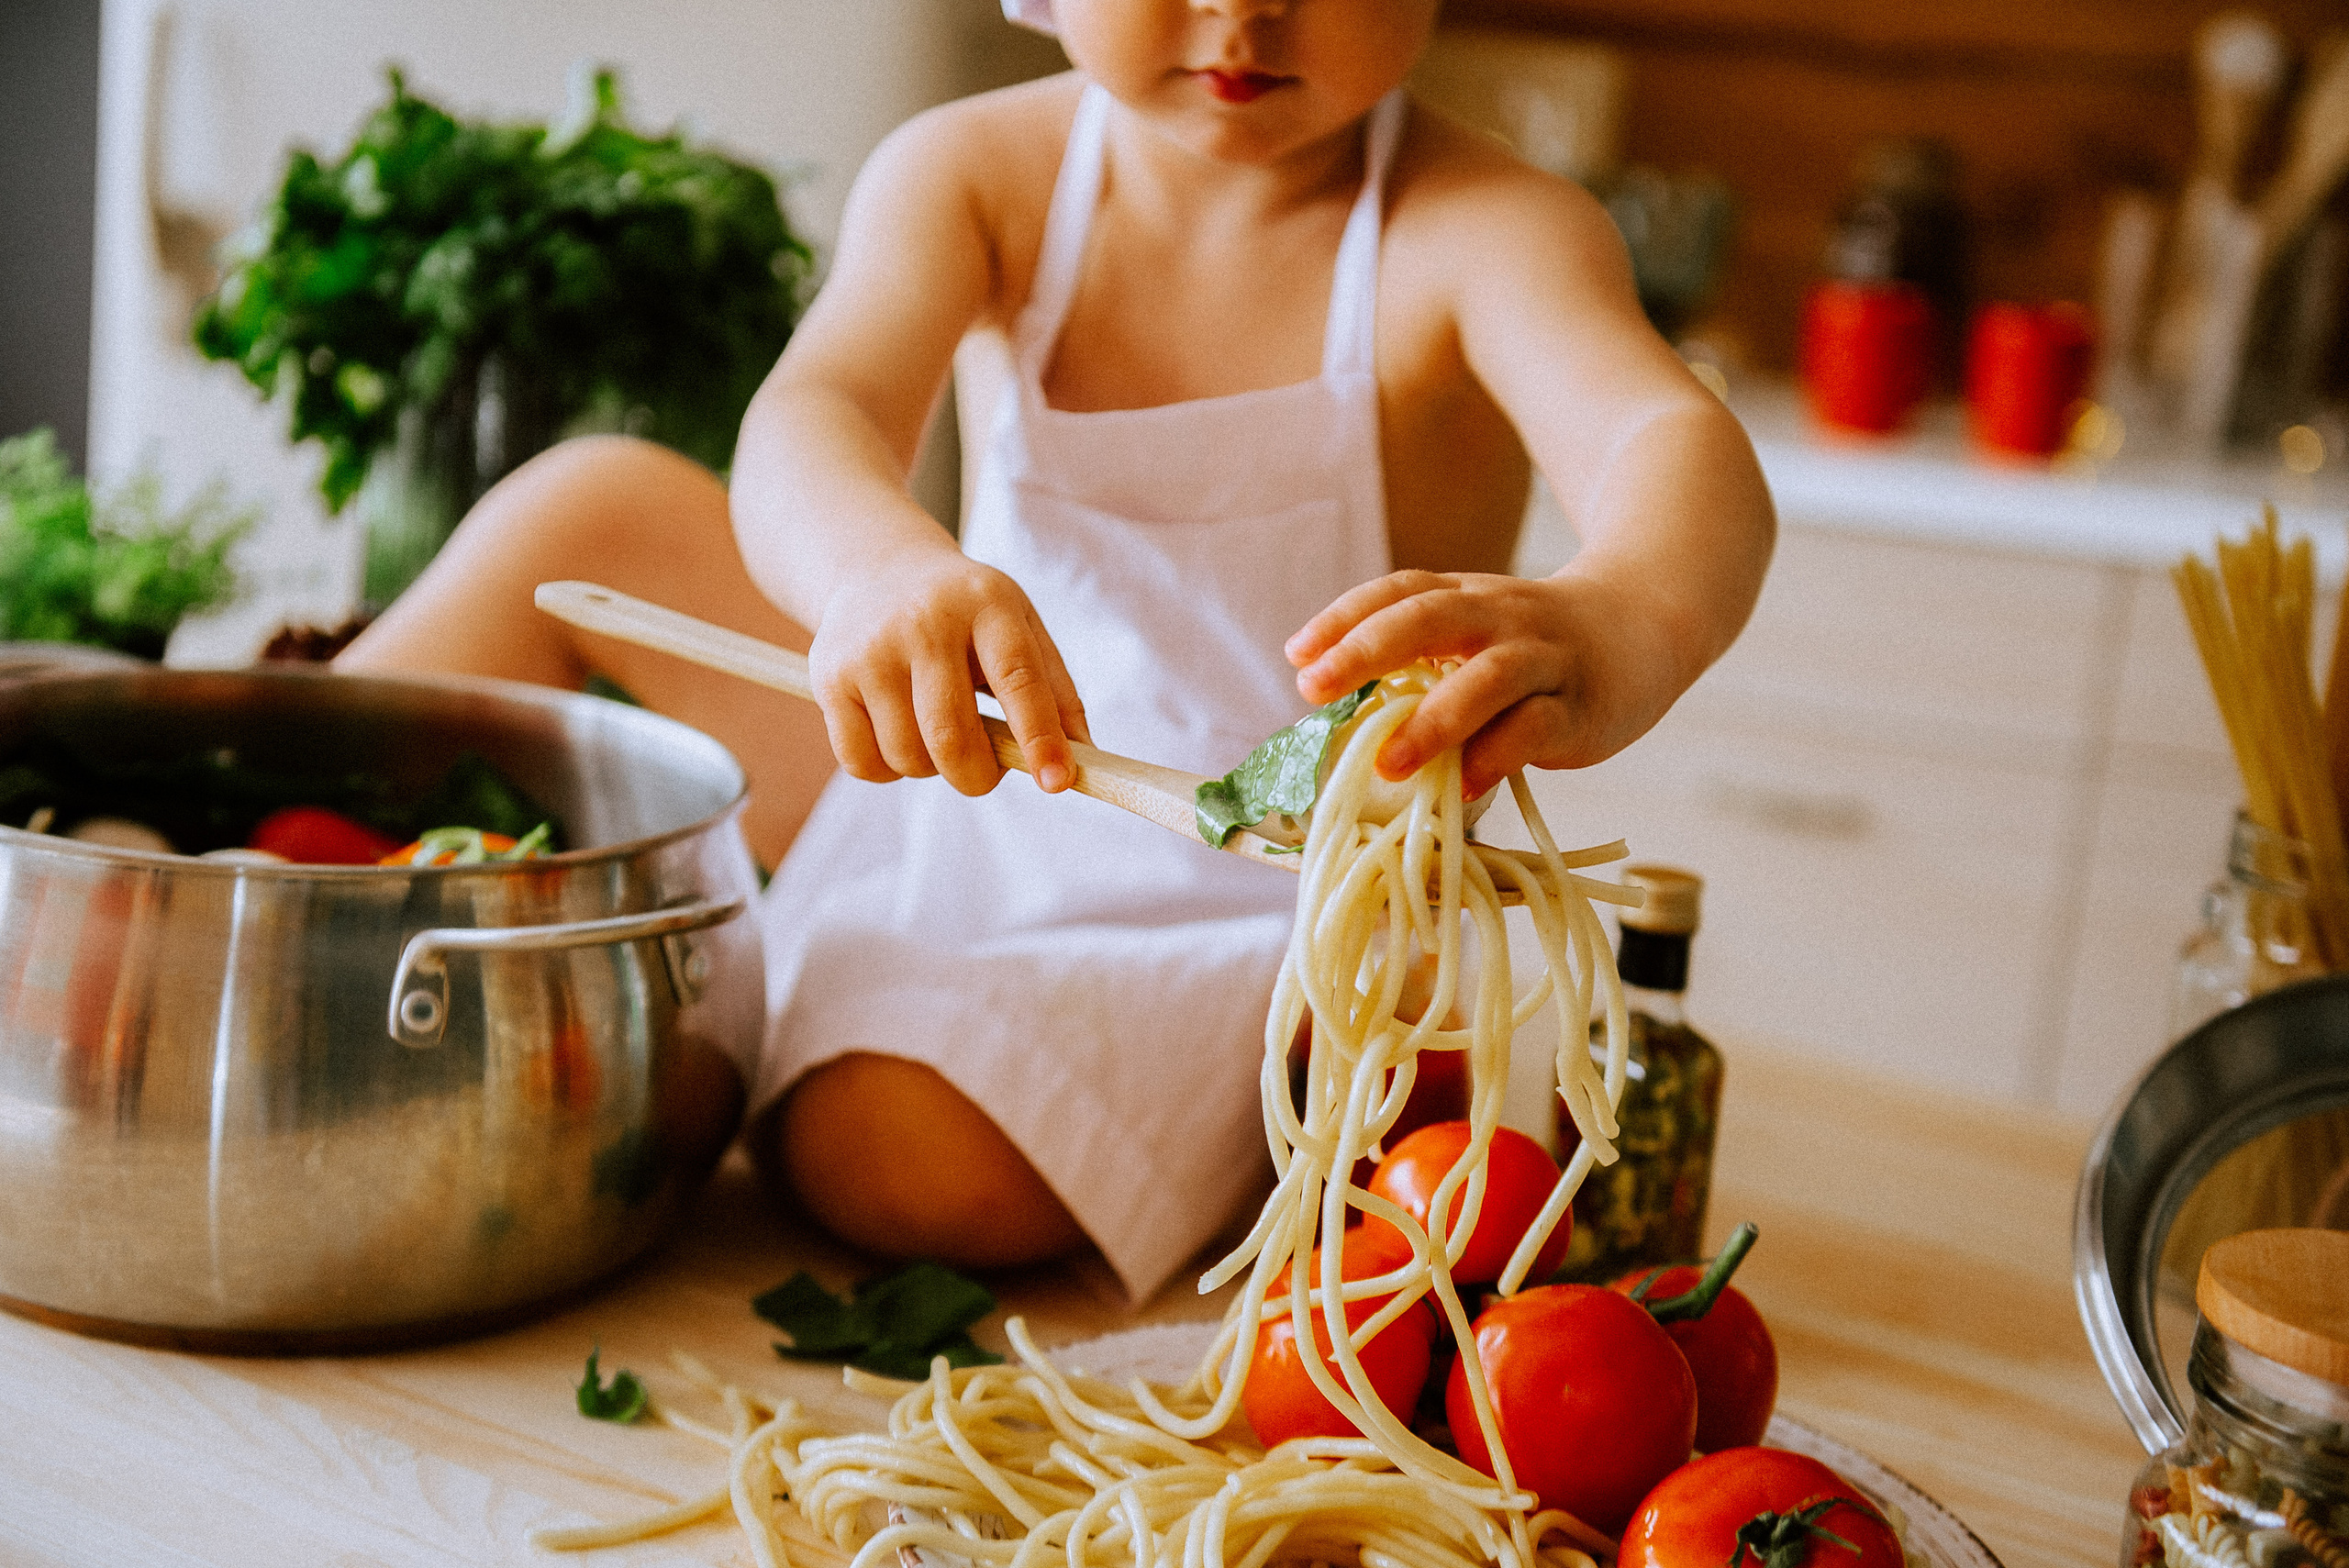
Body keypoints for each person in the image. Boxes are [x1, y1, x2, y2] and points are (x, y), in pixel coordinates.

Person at [338, 0, 1775, 1300]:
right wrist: (880, 569)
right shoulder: (975, 172)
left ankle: (722, 998)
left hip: (1254, 905)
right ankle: (257, 883)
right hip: (972, 766)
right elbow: (815, 414)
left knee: (881, 1158)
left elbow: (1668, 440)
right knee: (581, 517)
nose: (1244, 11)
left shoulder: (1485, 230)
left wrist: (1618, 616)